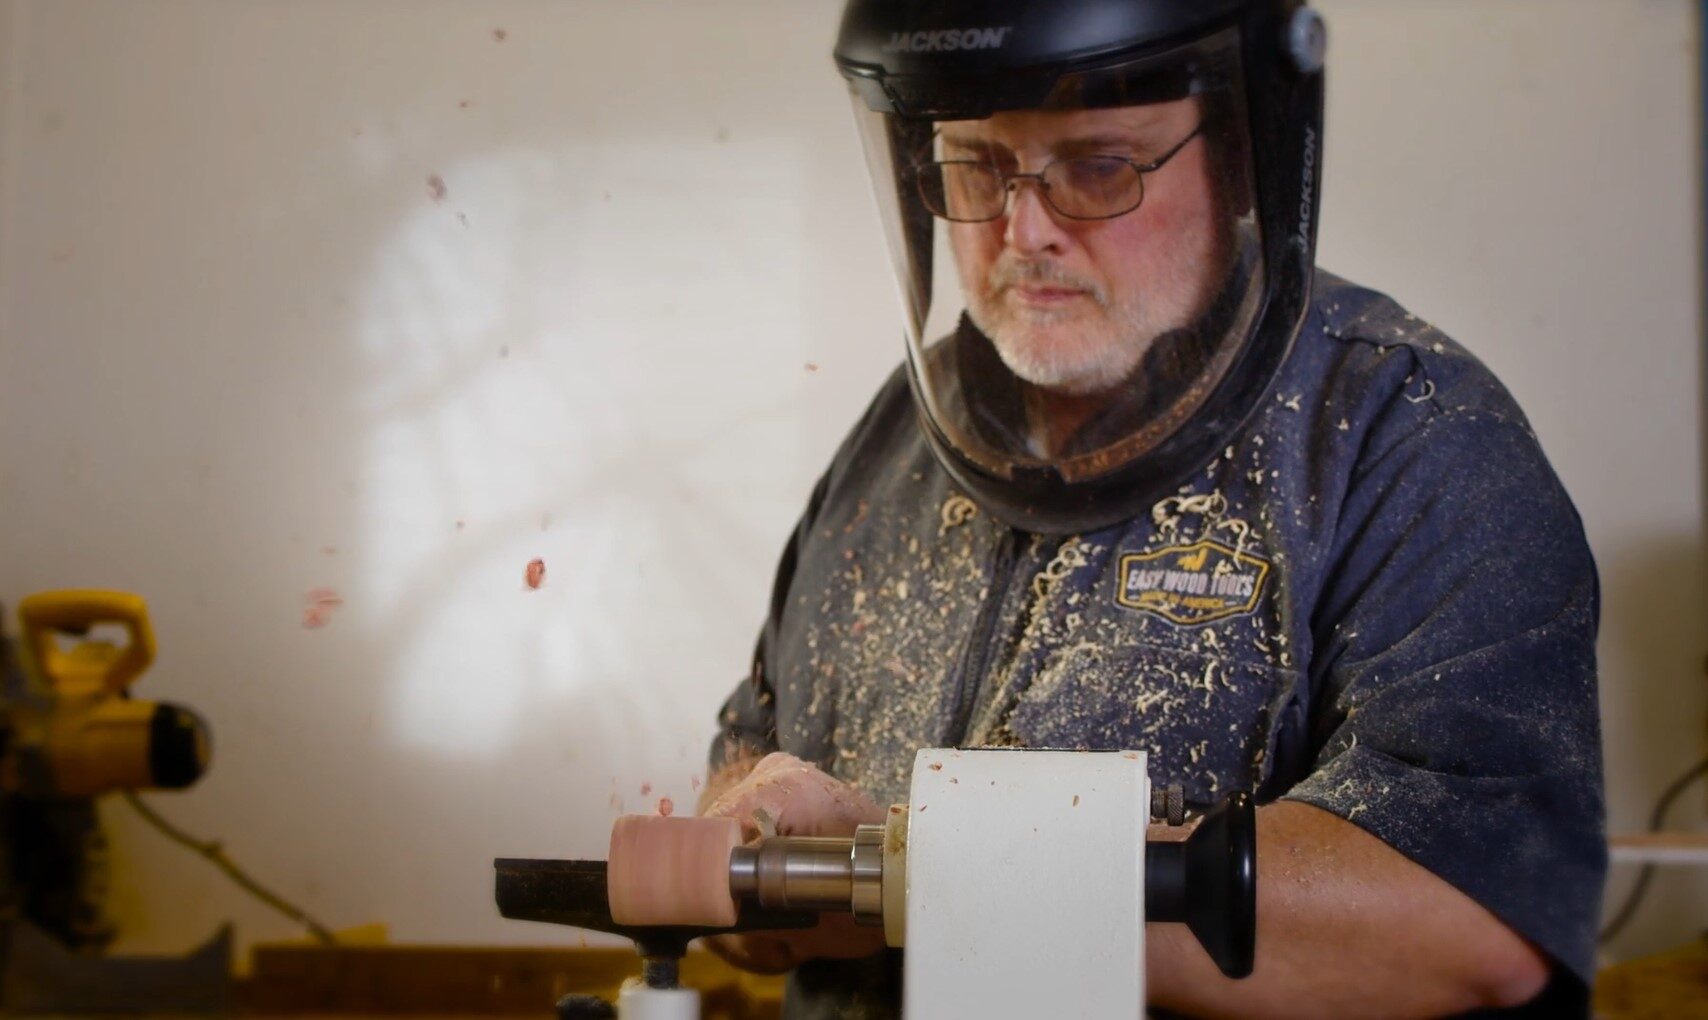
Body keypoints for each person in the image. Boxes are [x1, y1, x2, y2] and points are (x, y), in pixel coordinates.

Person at [697, 2, 1605, 1017]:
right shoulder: (897, 439)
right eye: (977, 169)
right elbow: (748, 762)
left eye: (1098, 168)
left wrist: (923, 879)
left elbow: (1474, 918)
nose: (1023, 233)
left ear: (1242, 160)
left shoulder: (1404, 431)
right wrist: (751, 826)